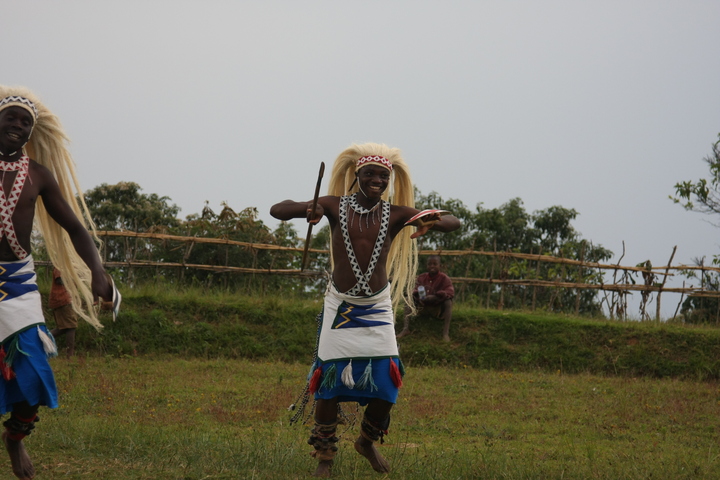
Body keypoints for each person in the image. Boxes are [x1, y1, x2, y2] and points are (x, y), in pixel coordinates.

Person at [271, 143, 460, 477]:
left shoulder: (396, 213)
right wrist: (310, 208)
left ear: (390, 179)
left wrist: (431, 219)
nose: (377, 180)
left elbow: (453, 222)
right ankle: (325, 457)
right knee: (329, 383)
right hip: (340, 305)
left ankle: (366, 441)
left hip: (376, 307)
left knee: (388, 383)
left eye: (383, 176)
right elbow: (278, 209)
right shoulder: (334, 205)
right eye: (370, 174)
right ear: (356, 175)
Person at [0, 86, 120, 480]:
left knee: (35, 374)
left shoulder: (38, 175)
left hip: (17, 284)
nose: (17, 125)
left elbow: (75, 228)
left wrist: (97, 272)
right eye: (11, 117)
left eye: (25, 122)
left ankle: (15, 438)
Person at [397, 255, 455, 341]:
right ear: (426, 265)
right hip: (422, 307)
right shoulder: (421, 277)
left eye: (435, 264)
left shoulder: (444, 278)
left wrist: (435, 296)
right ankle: (405, 329)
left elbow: (450, 292)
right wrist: (418, 296)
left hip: (437, 309)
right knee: (408, 298)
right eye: (429, 264)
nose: (432, 266)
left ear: (440, 265)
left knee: (448, 302)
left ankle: (445, 333)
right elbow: (414, 289)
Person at [48, 268, 78, 357]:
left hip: (63, 299)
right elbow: (59, 280)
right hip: (63, 299)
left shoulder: (64, 265)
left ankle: (40, 340)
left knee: (63, 328)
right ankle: (70, 355)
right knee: (71, 326)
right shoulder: (60, 265)